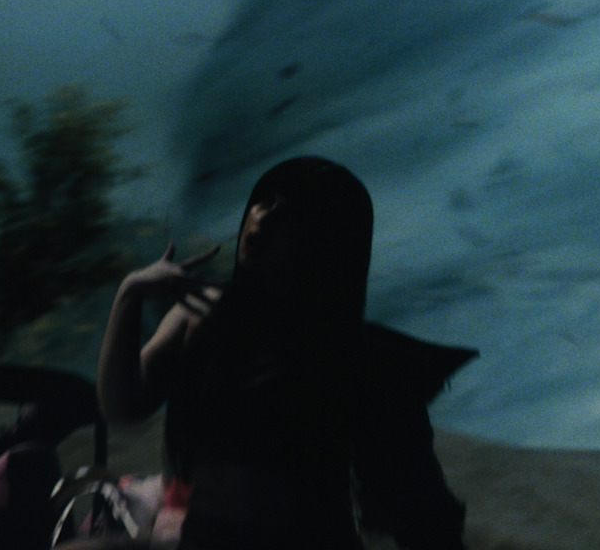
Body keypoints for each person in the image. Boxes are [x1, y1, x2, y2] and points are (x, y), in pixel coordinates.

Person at [96, 156, 471, 550]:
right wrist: (130, 293)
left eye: (289, 210)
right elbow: (121, 406)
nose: (264, 215)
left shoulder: (350, 355)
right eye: (264, 199)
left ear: (327, 237)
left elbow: (424, 513)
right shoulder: (200, 313)